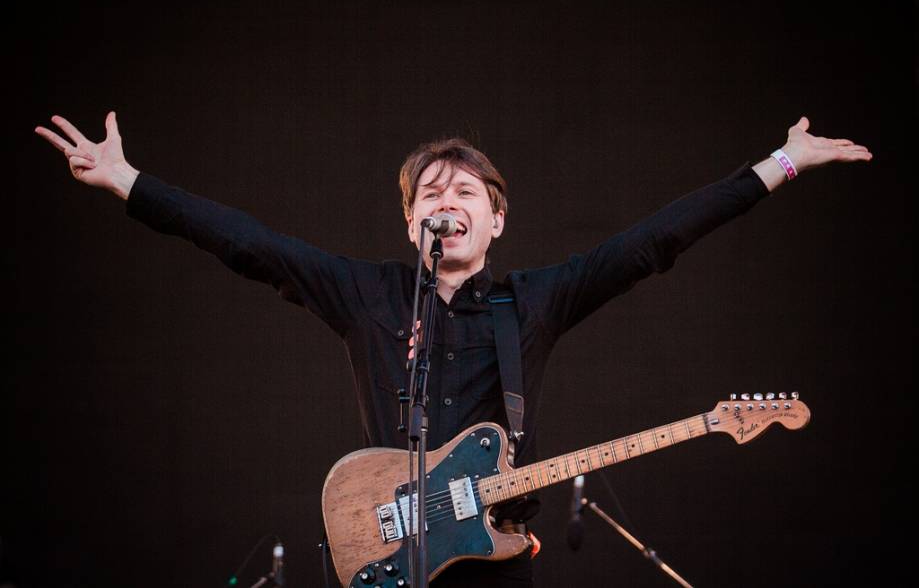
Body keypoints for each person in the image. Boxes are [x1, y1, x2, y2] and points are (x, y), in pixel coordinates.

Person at [35, 112, 872, 587]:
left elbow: (652, 242)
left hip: (495, 557)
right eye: (430, 194)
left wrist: (780, 164)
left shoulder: (533, 301)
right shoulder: (365, 294)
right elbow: (250, 244)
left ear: (494, 220)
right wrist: (129, 183)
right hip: (385, 549)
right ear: (412, 225)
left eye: (464, 191)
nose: (447, 200)